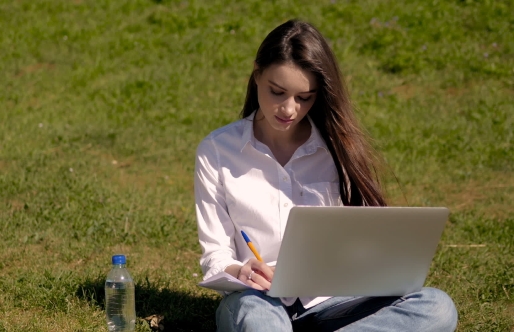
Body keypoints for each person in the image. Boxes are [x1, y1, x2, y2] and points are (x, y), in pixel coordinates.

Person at [194, 19, 458, 332]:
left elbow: (365, 240)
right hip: (259, 300)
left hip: (336, 301)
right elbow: (215, 254)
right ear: (256, 75)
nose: (289, 109)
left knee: (437, 308)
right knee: (257, 318)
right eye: (277, 92)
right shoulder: (217, 150)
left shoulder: (337, 149)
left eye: (304, 97)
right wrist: (241, 270)